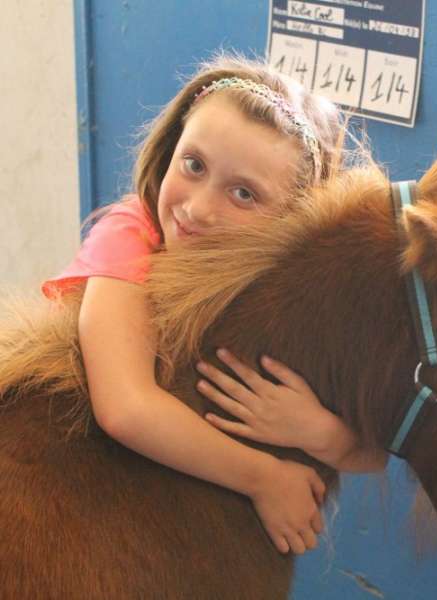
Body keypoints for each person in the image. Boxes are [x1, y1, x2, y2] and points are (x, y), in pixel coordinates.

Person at [42, 53, 387, 556]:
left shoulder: (288, 285)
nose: (198, 209)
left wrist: (319, 431)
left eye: (244, 194)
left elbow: (375, 452)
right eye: (194, 165)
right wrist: (265, 478)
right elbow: (125, 407)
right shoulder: (133, 231)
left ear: (295, 219)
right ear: (171, 146)